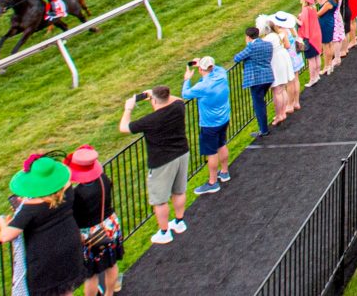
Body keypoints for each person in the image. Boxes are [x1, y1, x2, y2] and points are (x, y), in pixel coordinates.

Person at [0, 155, 85, 296]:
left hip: (47, 258)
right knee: (66, 290)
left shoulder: (30, 209)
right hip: (70, 246)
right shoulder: (66, 190)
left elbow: (6, 236)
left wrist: (3, 225)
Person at [120, 85, 189, 245]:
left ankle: (164, 232)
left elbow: (124, 128)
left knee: (160, 200)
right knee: (179, 191)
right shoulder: (178, 107)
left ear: (155, 101)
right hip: (182, 153)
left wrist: (128, 109)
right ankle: (179, 222)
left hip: (162, 162)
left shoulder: (150, 121)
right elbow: (178, 99)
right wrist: (158, 95)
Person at [66, 146, 123, 296]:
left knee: (91, 275)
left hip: (90, 234)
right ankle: (109, 293)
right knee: (112, 264)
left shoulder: (77, 194)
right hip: (110, 225)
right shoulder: (103, 178)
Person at [182, 56, 232, 194]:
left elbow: (185, 94)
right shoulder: (221, 74)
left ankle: (212, 182)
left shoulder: (203, 86)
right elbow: (216, 68)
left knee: (211, 152)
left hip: (210, 124)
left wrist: (187, 79)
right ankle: (225, 172)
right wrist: (205, 64)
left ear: (200, 69)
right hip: (224, 118)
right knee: (222, 144)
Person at [232, 26, 274, 138]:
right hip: (268, 77)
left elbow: (237, 58)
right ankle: (263, 128)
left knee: (258, 104)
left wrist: (248, 46)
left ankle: (263, 130)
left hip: (256, 80)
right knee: (260, 102)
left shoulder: (251, 47)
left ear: (248, 37)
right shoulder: (268, 44)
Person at [259, 16, 298, 122]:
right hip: (284, 59)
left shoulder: (268, 38)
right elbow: (287, 45)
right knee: (282, 88)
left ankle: (279, 115)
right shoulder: (278, 34)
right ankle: (283, 112)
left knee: (277, 90)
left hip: (276, 62)